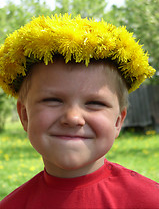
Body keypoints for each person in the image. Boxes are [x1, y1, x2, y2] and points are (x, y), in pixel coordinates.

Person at [0, 14, 158, 209]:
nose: (73, 118)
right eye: (53, 100)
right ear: (24, 115)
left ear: (118, 121)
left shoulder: (150, 201)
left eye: (94, 103)